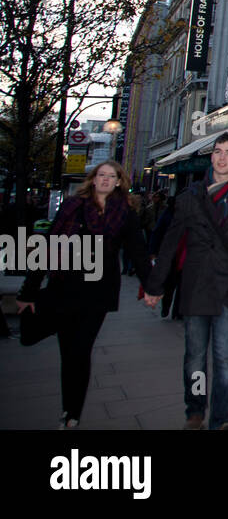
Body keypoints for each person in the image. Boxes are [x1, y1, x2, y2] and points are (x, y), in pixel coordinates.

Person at [16, 160, 151, 429]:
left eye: (111, 176)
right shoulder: (72, 207)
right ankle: (69, 408)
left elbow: (138, 252)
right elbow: (50, 247)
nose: (105, 180)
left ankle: (72, 415)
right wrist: (28, 290)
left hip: (97, 293)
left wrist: (151, 286)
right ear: (92, 179)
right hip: (64, 287)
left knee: (80, 350)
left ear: (118, 182)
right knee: (69, 354)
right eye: (101, 175)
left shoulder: (124, 213)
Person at [143, 134, 228, 430]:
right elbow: (170, 243)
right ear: (211, 157)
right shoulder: (189, 196)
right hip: (196, 284)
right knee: (195, 357)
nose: (222, 158)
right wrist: (155, 286)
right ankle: (195, 408)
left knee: (223, 357)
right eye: (218, 152)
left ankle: (223, 418)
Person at [149, 194, 183, 320]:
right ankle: (166, 306)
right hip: (171, 255)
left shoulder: (192, 215)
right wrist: (153, 252)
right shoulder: (167, 215)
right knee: (170, 284)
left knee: (182, 285)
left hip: (185, 256)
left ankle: (178, 311)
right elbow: (157, 233)